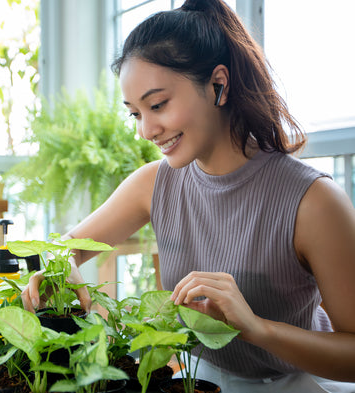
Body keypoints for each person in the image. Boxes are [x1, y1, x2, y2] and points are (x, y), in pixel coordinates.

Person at [21, 0, 355, 391]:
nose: (146, 130)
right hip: (198, 381)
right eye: (135, 113)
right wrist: (59, 269)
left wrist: (257, 328)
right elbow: (69, 246)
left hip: (296, 383)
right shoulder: (154, 183)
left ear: (219, 84)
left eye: (158, 105)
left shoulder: (314, 201)